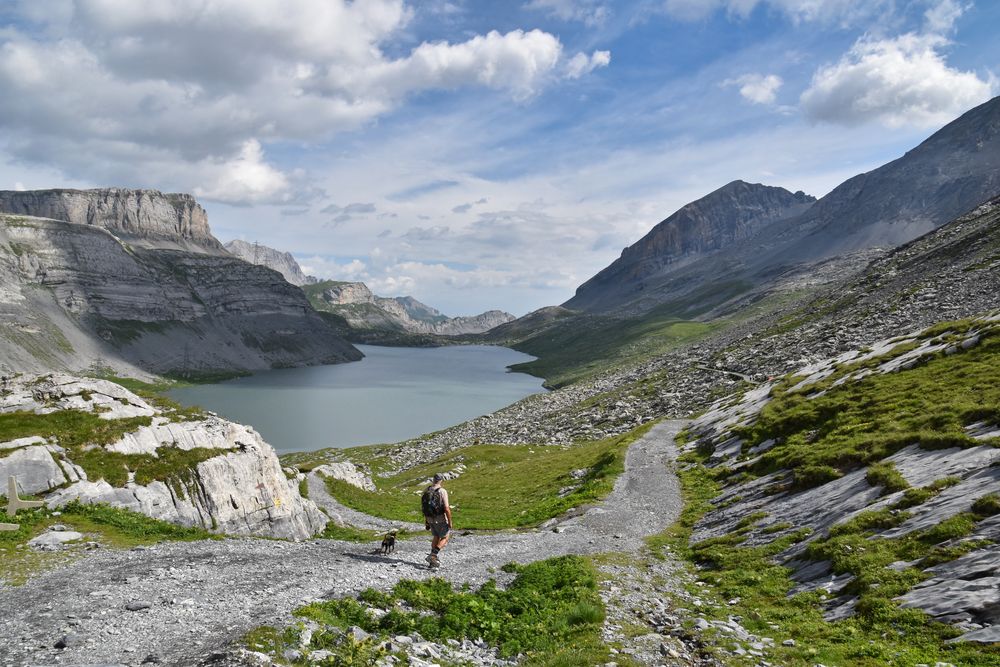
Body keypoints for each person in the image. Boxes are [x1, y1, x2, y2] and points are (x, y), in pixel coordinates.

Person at [421, 472, 452, 568]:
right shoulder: (442, 491)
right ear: (441, 480)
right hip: (440, 518)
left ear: (433, 479)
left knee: (436, 536)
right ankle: (433, 555)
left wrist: (426, 521)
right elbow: (446, 508)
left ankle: (432, 561)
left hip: (430, 518)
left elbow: (424, 506)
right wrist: (450, 521)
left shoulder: (427, 490)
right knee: (445, 538)